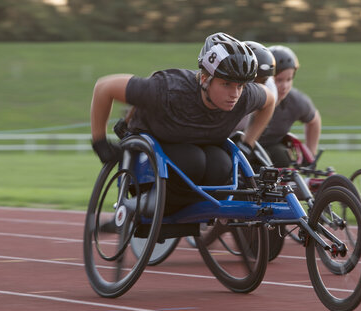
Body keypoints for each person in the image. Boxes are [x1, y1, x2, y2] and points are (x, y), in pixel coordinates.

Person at [90, 32, 275, 216]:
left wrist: (248, 144)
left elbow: (270, 100)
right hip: (159, 141)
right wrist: (99, 141)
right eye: (226, 84)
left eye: (240, 86)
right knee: (192, 160)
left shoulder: (245, 96)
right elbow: (104, 87)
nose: (235, 94)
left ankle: (194, 206)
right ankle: (150, 203)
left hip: (203, 144)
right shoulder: (167, 89)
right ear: (204, 79)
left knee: (223, 164)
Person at [257, 45, 322, 167]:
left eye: (289, 79)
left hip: (272, 147)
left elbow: (314, 120)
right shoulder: (252, 97)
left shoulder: (295, 100)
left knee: (282, 155)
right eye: (279, 80)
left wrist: (311, 154)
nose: (285, 86)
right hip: (246, 149)